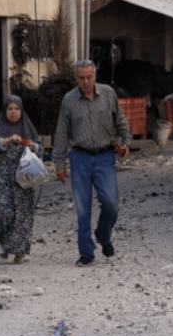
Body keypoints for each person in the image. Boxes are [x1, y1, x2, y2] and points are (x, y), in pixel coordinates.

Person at [54, 60, 132, 267]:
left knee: (111, 203)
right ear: (76, 79)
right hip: (79, 157)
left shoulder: (108, 94)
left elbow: (121, 121)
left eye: (89, 77)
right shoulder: (69, 100)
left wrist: (126, 142)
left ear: (95, 76)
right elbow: (61, 132)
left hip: (105, 156)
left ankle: (103, 234)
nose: (86, 82)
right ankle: (86, 253)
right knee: (83, 209)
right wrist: (59, 164)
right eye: (82, 78)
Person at [0, 95, 44, 264]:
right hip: (4, 179)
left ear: (21, 110)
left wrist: (31, 145)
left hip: (25, 179)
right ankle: (4, 244)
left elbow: (40, 149)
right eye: (10, 109)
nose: (13, 112)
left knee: (23, 214)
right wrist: (6, 141)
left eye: (16, 109)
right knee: (5, 212)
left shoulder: (28, 129)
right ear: (5, 111)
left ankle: (21, 251)